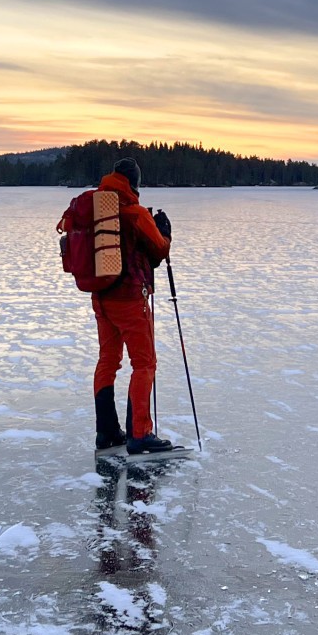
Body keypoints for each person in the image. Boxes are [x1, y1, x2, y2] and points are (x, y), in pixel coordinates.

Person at [89, 158, 193, 458]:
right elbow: (159, 248)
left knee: (108, 360)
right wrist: (165, 231)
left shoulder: (98, 208)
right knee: (144, 363)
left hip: (101, 297)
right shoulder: (134, 212)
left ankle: (107, 432)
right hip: (130, 299)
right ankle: (139, 433)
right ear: (134, 183)